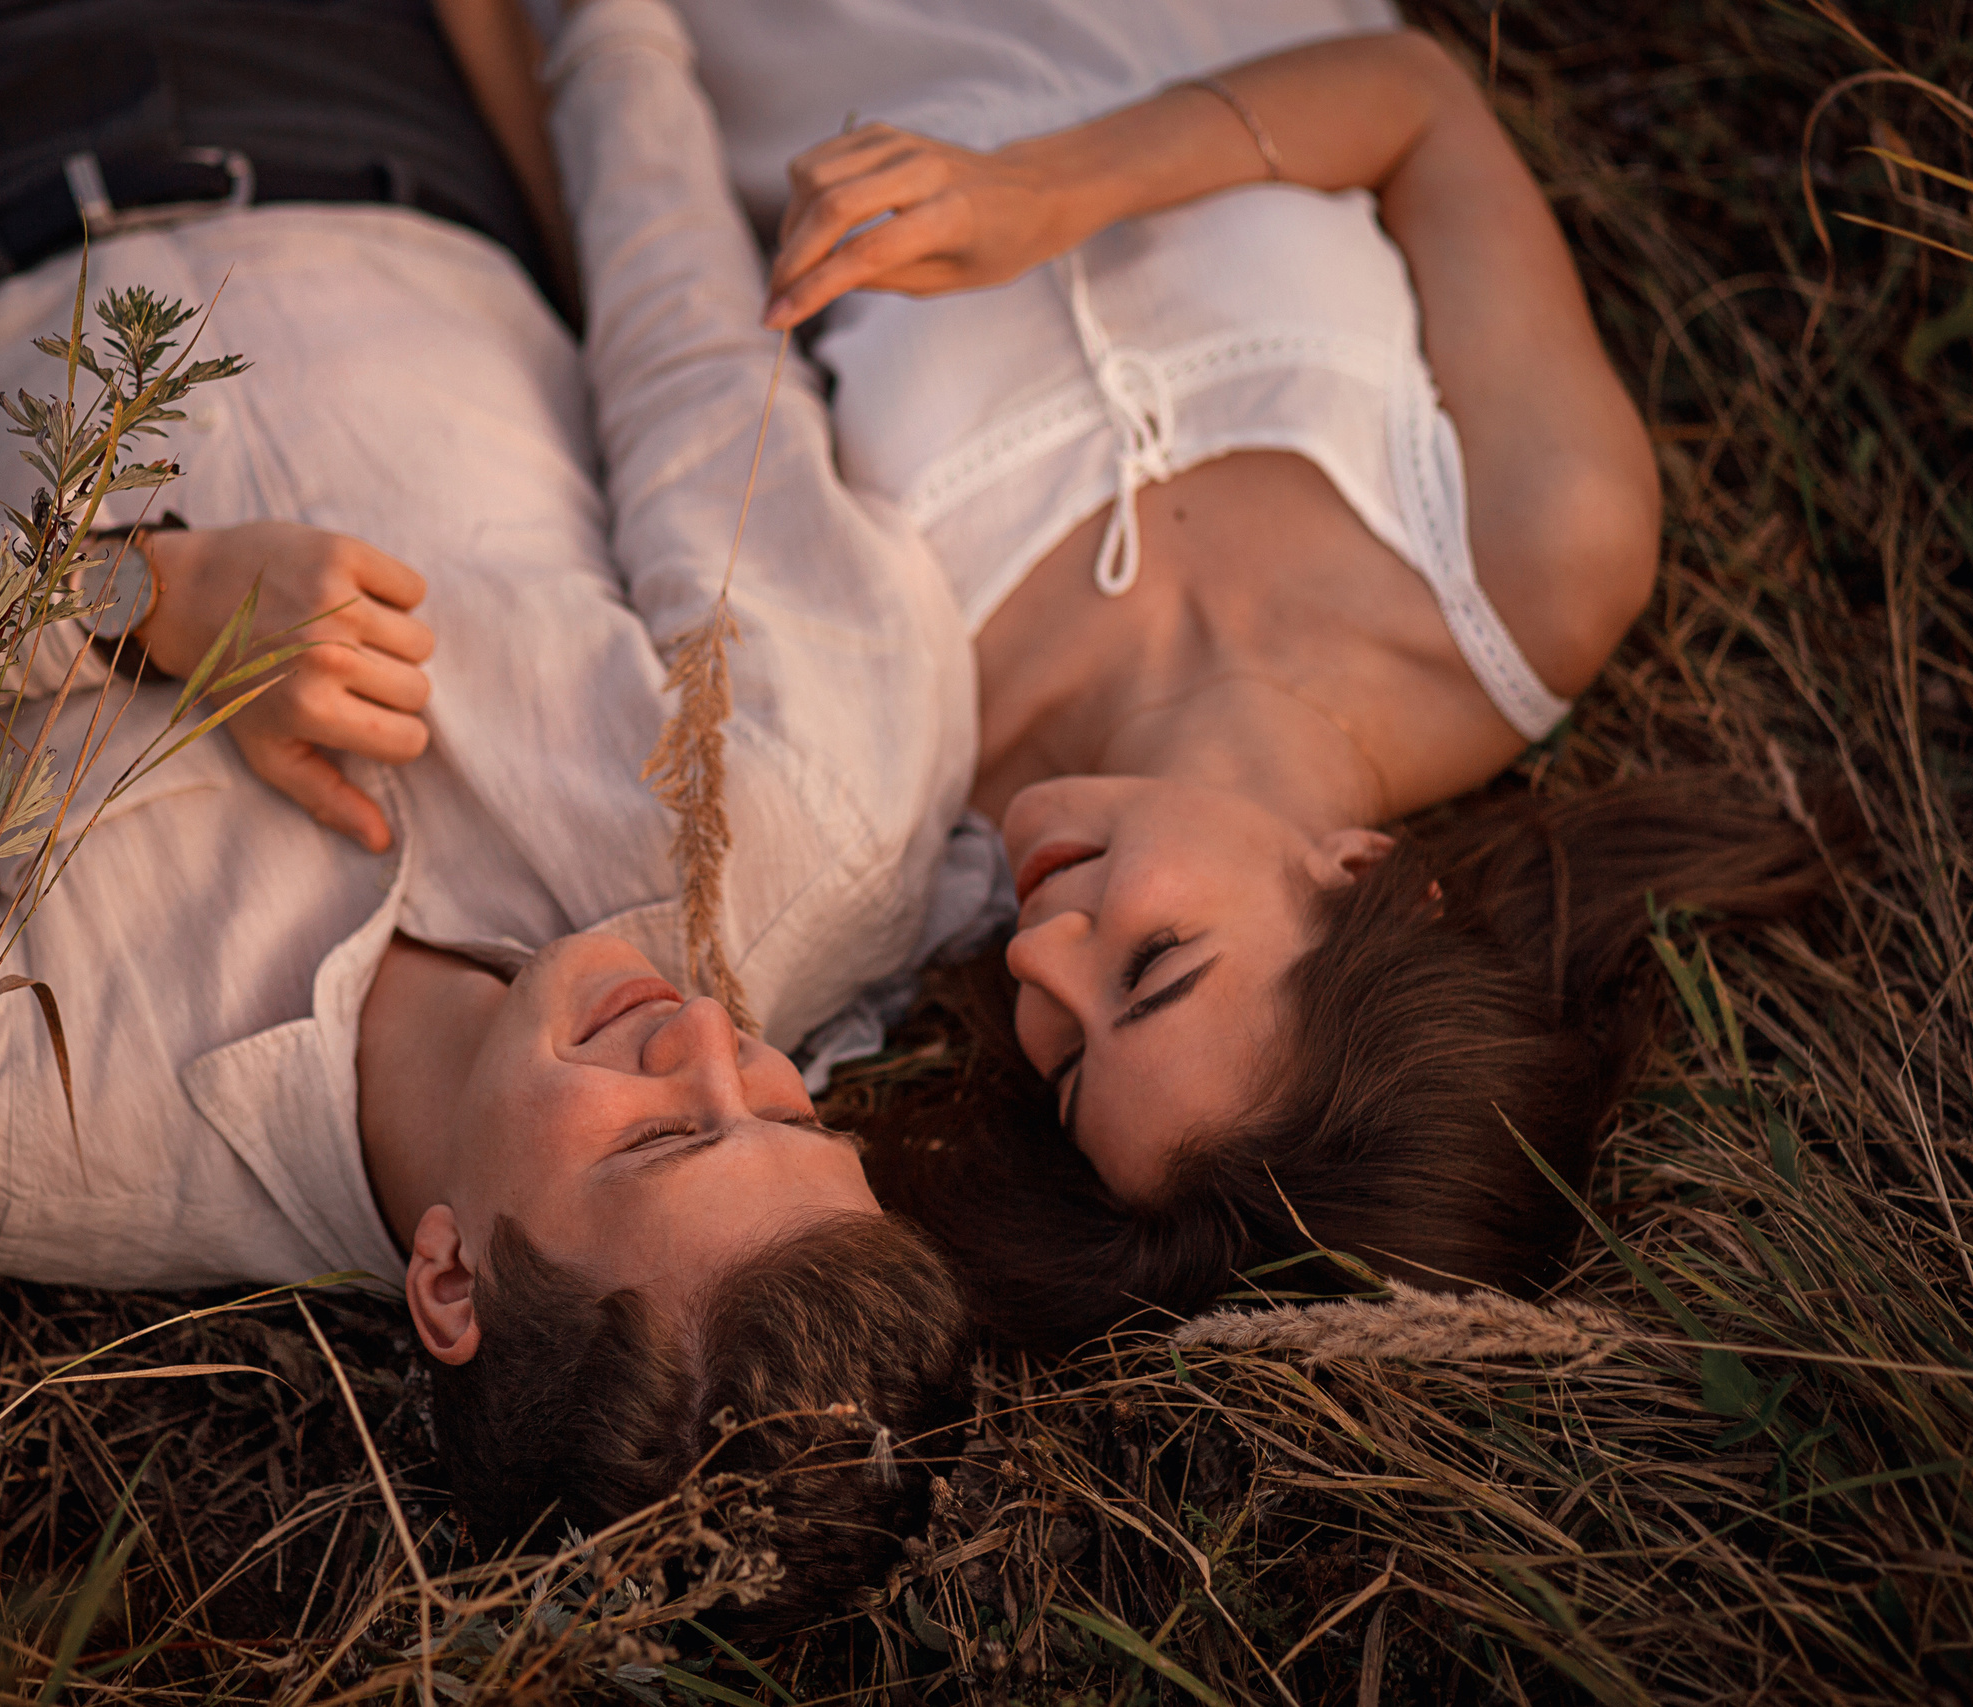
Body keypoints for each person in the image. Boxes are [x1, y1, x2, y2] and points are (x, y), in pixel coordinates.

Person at [0, 0, 975, 1618]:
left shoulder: (4, 1113)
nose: (714, 1039)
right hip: (365, 93)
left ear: (449, 1280)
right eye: (792, 1113)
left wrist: (135, 594)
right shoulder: (806, 819)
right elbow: (694, 350)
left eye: (660, 1142)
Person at [647, 0, 1842, 1346]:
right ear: (1363, 874)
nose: (1039, 960)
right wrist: (1047, 187)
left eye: (1073, 1064)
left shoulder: (915, 778)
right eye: (1153, 969)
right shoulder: (1542, 561)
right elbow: (1415, 100)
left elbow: (662, 327)